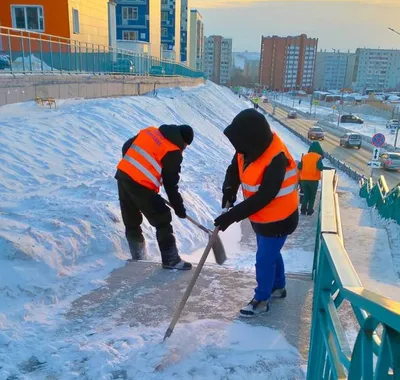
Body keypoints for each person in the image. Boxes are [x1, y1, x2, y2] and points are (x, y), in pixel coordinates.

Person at [214, 109, 299, 317]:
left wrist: (231, 216)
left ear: (253, 137)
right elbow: (234, 170)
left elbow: (265, 196)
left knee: (263, 259)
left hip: (280, 219)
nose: (238, 149)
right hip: (262, 219)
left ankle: (261, 299)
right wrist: (228, 190)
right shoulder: (248, 148)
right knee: (270, 254)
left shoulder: (276, 157)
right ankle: (279, 287)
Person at [115, 124, 194, 270]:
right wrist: (178, 207)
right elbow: (171, 184)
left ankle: (138, 257)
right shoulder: (172, 151)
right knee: (162, 217)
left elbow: (127, 146)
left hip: (123, 175)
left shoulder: (151, 132)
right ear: (184, 142)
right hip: (140, 184)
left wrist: (132, 167)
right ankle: (171, 260)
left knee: (131, 219)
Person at [298, 142, 325, 216]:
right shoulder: (318, 157)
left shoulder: (305, 156)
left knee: (306, 195)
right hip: (313, 180)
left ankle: (303, 210)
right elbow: (320, 167)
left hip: (303, 179)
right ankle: (310, 210)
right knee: (312, 196)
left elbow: (299, 166)